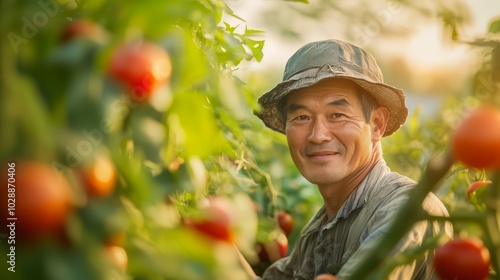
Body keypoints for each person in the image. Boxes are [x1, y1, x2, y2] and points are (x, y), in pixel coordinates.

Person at [245, 39, 453, 279]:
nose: (317, 135)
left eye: (337, 114)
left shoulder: (406, 209)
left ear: (376, 125)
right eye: (301, 117)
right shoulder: (318, 229)